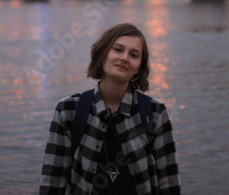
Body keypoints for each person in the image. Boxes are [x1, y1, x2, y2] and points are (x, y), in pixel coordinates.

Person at [39, 23, 180, 194]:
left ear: (138, 68)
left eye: (134, 55)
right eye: (118, 50)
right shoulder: (69, 110)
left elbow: (169, 181)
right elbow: (53, 180)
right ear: (102, 54)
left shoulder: (155, 113)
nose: (125, 58)